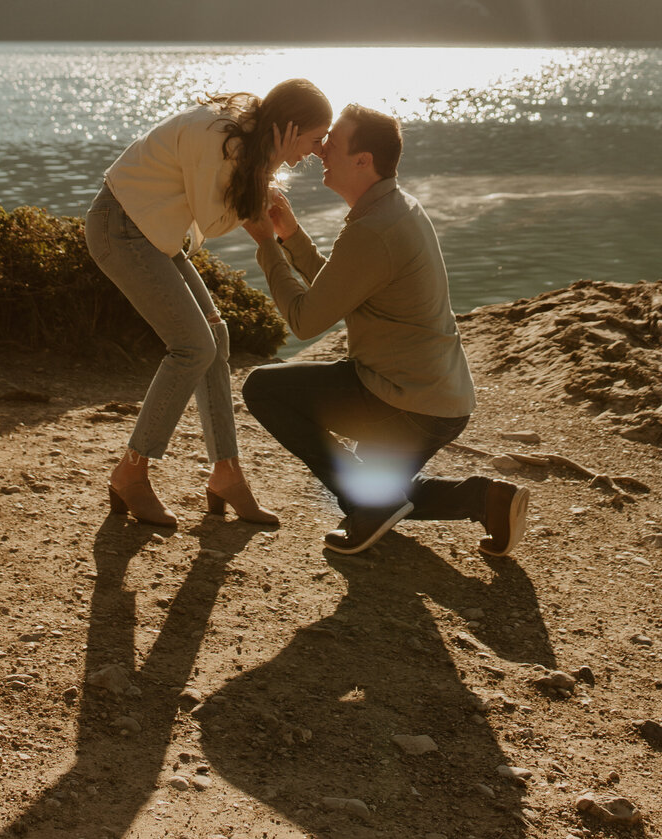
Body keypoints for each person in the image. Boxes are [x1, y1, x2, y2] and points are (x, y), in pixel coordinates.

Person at [241, 103, 529, 558]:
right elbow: (340, 291)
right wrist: (290, 236)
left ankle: (365, 506)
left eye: (331, 145)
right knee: (385, 492)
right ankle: (486, 499)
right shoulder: (396, 207)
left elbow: (305, 320)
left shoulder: (373, 228)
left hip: (405, 402)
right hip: (441, 402)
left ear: (363, 161)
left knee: (263, 389)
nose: (320, 152)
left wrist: (266, 247)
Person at [85, 78, 332, 528]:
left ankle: (227, 475)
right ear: (290, 129)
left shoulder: (244, 139)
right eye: (316, 139)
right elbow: (214, 221)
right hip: (119, 228)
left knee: (215, 337)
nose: (317, 150)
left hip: (148, 230)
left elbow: (217, 213)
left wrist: (260, 183)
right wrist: (258, 190)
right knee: (192, 347)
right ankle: (130, 472)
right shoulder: (220, 135)